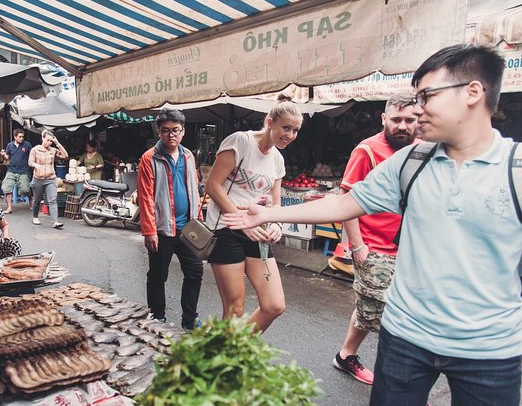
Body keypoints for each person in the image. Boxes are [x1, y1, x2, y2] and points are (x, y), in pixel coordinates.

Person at [224, 45, 522, 406]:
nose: (417, 108)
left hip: (490, 350)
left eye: (427, 95)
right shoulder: (411, 162)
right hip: (406, 336)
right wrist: (269, 213)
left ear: (472, 92)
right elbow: (346, 202)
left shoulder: (515, 170)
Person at [332, 94, 419, 385]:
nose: (402, 126)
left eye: (409, 120)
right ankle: (398, 381)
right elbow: (347, 198)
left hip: (412, 249)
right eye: (396, 120)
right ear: (384, 119)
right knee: (384, 315)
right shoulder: (367, 150)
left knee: (372, 307)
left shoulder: (423, 149)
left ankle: (346, 355)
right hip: (376, 247)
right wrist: (357, 246)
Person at [204, 94, 303, 333]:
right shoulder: (240, 142)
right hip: (226, 229)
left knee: (274, 305)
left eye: (296, 130)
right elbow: (213, 185)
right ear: (270, 122)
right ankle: (229, 363)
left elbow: (275, 202)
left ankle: (233, 351)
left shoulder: (278, 160)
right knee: (234, 310)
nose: (290, 135)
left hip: (257, 233)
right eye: (286, 128)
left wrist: (277, 225)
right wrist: (243, 223)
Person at [137, 108, 204, 330]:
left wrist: (200, 220)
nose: (171, 135)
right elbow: (145, 197)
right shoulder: (149, 158)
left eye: (175, 130)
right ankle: (157, 317)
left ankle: (189, 318)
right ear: (159, 132)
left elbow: (194, 188)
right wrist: (149, 231)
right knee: (158, 275)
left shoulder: (188, 156)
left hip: (189, 227)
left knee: (195, 273)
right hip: (163, 228)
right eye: (166, 131)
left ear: (183, 131)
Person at [28, 130, 68, 229]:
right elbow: (30, 162)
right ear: (42, 138)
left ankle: (55, 222)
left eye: (51, 141)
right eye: (47, 140)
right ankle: (35, 217)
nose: (49, 142)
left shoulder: (53, 150)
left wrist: (57, 143)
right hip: (38, 179)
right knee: (37, 200)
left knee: (53, 200)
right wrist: (35, 165)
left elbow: (65, 156)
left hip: (51, 178)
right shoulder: (35, 150)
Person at [0, 128, 32, 214]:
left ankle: (31, 199)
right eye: (20, 137)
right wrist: (3, 155)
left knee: (25, 189)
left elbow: (32, 156)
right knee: (7, 188)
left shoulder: (27, 145)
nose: (22, 138)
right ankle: (9, 207)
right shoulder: (10, 145)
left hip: (23, 170)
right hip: (11, 170)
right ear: (15, 137)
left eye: (23, 137)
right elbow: (7, 158)